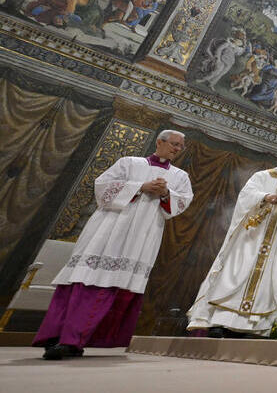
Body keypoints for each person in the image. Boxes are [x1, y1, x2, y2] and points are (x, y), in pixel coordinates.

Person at [33, 130, 193, 359]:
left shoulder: (180, 176)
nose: (177, 149)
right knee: (86, 279)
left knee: (116, 285)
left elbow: (182, 202)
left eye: (180, 146)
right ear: (160, 141)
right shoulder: (129, 162)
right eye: (174, 144)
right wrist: (140, 187)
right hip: (107, 230)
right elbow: (102, 188)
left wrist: (166, 193)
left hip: (142, 236)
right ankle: (60, 337)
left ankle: (75, 341)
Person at [187, 146, 277, 337]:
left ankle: (252, 327)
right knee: (237, 272)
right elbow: (246, 196)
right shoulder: (262, 176)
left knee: (267, 279)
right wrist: (265, 197)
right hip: (252, 238)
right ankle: (220, 321)